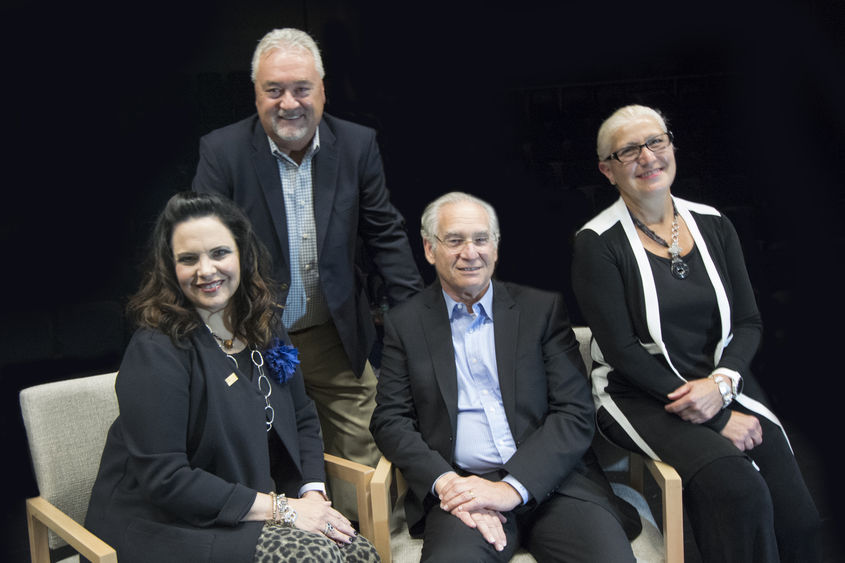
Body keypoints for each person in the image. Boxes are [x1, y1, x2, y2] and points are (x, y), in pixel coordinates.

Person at [571, 104, 821, 562]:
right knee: (738, 490)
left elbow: (748, 322)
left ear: (671, 146)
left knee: (798, 516)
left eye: (656, 142)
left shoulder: (713, 223)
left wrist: (722, 387)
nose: (647, 157)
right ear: (607, 170)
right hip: (639, 394)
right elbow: (623, 351)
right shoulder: (596, 242)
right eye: (628, 151)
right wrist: (717, 417)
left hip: (719, 383)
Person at [191, 28, 423, 516]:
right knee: (255, 455)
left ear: (323, 89)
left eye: (301, 88)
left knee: (369, 452)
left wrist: (416, 323)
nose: (288, 103)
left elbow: (386, 236)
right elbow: (201, 247)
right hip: (252, 334)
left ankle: (361, 539)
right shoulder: (223, 151)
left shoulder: (357, 145)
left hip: (335, 334)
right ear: (255, 94)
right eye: (273, 90)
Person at [84, 192, 379, 563]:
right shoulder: (156, 349)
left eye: (219, 253)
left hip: (245, 510)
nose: (206, 270)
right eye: (188, 259)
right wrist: (285, 511)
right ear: (169, 269)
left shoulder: (264, 324)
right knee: (313, 557)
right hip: (163, 526)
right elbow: (166, 480)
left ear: (243, 254)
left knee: (359, 553)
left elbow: (303, 417)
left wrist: (312, 496)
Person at [370, 191, 640, 562]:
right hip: (464, 491)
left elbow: (574, 413)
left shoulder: (540, 311)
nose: (470, 252)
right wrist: (448, 484)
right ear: (430, 250)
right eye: (454, 240)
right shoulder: (406, 324)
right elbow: (390, 421)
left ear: (495, 248)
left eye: (481, 239)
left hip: (557, 484)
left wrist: (513, 488)